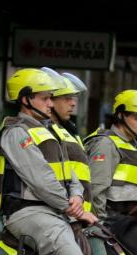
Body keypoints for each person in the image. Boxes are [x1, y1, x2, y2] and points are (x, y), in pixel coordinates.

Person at [0, 68, 98, 255]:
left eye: (52, 98)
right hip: (27, 212)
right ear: (25, 99)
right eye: (45, 98)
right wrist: (72, 207)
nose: (51, 104)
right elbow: (40, 179)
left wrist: (77, 195)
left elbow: (72, 171)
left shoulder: (51, 130)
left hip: (57, 209)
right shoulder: (16, 132)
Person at [84, 90, 137, 218]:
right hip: (110, 221)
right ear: (120, 115)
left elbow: (131, 186)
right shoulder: (106, 143)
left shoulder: (133, 146)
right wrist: (100, 224)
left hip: (128, 219)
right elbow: (96, 188)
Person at [42, 68, 92, 213]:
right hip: (64, 213)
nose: (73, 103)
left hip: (78, 212)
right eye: (67, 98)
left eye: (74, 98)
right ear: (51, 100)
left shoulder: (68, 131)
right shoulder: (44, 132)